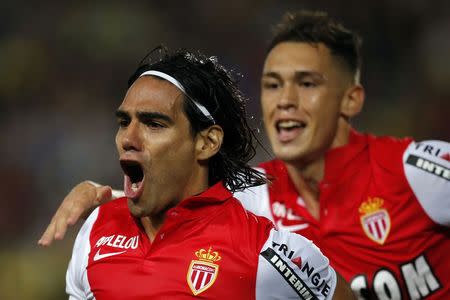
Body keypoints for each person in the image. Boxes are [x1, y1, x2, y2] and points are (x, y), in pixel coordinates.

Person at [39, 11, 450, 299]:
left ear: (351, 98)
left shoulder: (419, 173)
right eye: (272, 85)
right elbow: (188, 194)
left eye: (306, 83)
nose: (285, 101)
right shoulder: (259, 191)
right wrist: (101, 194)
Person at [60, 47, 354, 299]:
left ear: (207, 142)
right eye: (125, 122)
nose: (128, 138)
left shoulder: (263, 252)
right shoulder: (97, 228)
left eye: (154, 124)